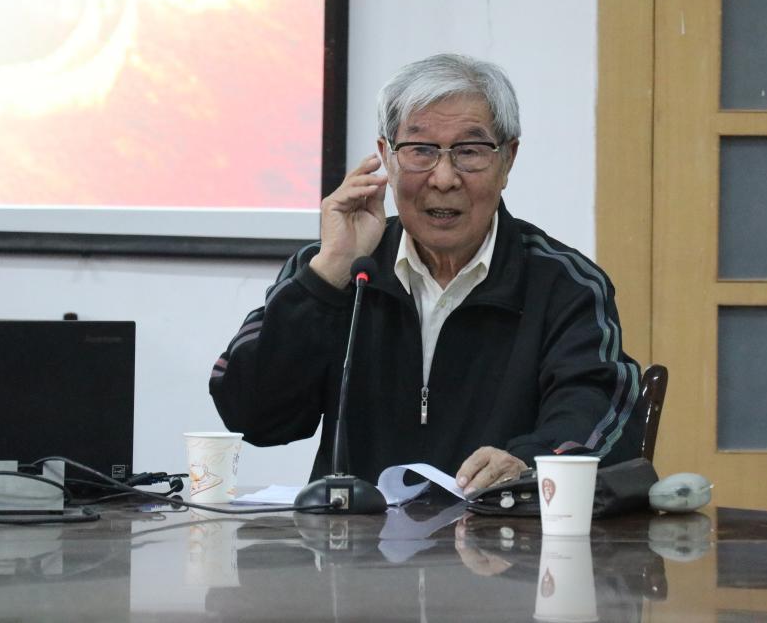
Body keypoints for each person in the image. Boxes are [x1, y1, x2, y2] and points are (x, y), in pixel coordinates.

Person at [210, 53, 642, 495]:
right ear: (386, 157)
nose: (444, 178)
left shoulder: (565, 284)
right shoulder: (335, 272)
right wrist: (327, 278)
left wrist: (526, 464)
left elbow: (597, 419)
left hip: (501, 530)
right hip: (354, 535)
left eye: (469, 152)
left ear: (508, 160)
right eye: (421, 151)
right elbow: (253, 416)